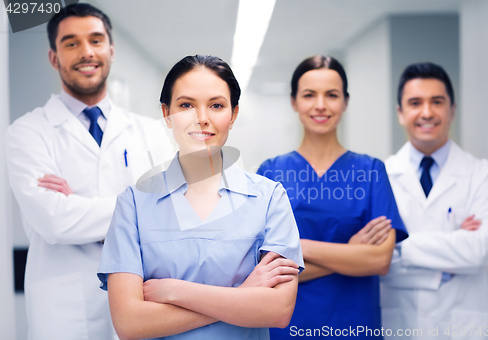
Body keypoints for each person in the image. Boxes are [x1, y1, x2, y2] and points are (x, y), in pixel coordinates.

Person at [97, 55, 304, 340]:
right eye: (186, 105)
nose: (202, 118)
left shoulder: (269, 198)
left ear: (233, 115)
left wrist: (175, 291)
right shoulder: (133, 204)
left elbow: (278, 310)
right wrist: (242, 296)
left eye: (216, 105)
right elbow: (129, 324)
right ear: (167, 114)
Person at [5, 4, 174, 339]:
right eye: (71, 43)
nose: (86, 52)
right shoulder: (26, 132)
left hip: (143, 296)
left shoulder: (150, 132)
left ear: (110, 50)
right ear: (54, 57)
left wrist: (78, 207)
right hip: (64, 309)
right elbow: (53, 220)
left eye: (96, 40)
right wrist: (137, 212)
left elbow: (172, 212)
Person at [257, 55, 408, 339]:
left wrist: (296, 247)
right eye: (309, 95)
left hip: (353, 325)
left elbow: (379, 261)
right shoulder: (271, 172)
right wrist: (350, 253)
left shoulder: (372, 171)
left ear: (345, 102)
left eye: (332, 95)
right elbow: (264, 272)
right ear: (293, 102)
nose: (321, 105)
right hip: (289, 326)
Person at [380, 62, 488, 339]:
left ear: (452, 109)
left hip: (464, 326)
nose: (427, 112)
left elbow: (479, 250)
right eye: (415, 103)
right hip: (401, 323)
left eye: (437, 102)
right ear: (400, 113)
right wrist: (450, 251)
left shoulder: (484, 175)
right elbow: (376, 261)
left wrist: (399, 247)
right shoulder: (382, 176)